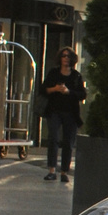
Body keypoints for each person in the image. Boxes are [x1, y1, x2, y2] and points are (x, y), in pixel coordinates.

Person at [40, 48, 86, 184]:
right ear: (59, 58)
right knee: (53, 138)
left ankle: (64, 171)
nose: (65, 58)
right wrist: (55, 89)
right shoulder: (53, 73)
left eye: (68, 56)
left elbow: (82, 94)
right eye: (63, 56)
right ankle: (51, 170)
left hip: (71, 113)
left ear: (72, 59)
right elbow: (43, 89)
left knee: (68, 142)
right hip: (54, 111)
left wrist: (68, 92)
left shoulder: (76, 76)